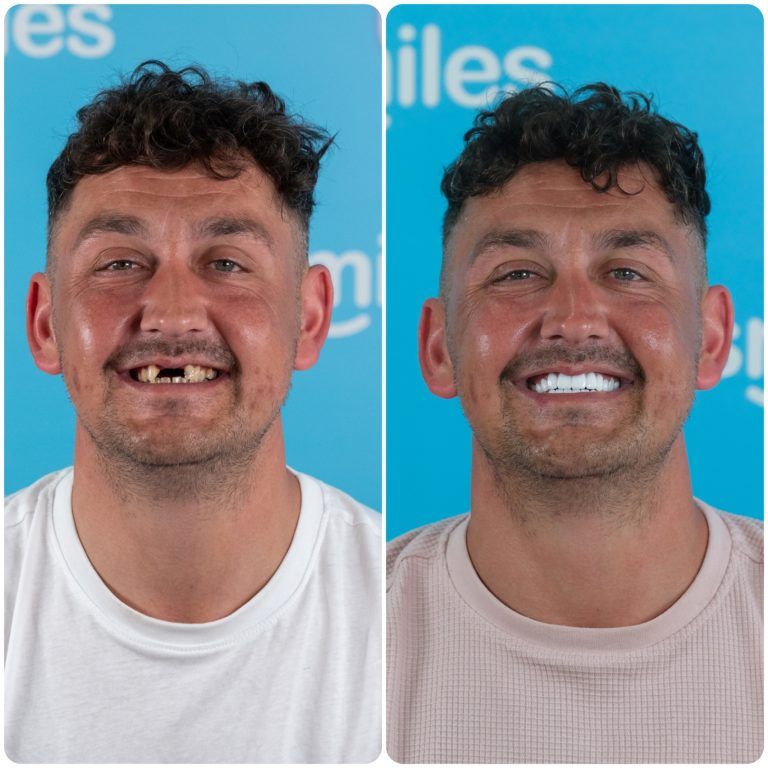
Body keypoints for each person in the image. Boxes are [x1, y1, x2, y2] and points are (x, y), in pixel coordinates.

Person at [5, 61, 380, 763]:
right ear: (46, 324)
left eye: (227, 263)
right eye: (119, 263)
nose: (172, 311)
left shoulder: (406, 619)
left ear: (309, 318)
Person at [387, 83, 762, 763]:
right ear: (439, 348)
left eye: (626, 271)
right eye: (518, 274)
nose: (574, 319)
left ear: (710, 339)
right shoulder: (336, 642)